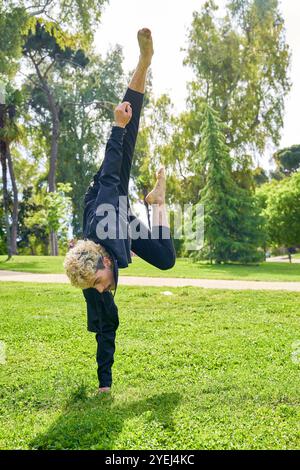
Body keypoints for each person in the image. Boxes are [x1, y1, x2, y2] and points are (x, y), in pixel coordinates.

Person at [64, 28, 176, 394]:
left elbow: (111, 170)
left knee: (130, 124)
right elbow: (104, 326)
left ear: (106, 263)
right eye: (96, 286)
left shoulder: (105, 212)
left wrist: (117, 126)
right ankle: (156, 204)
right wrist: (104, 385)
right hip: (116, 227)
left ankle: (143, 64)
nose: (102, 289)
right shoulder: (90, 277)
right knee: (166, 260)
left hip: (106, 191)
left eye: (99, 282)